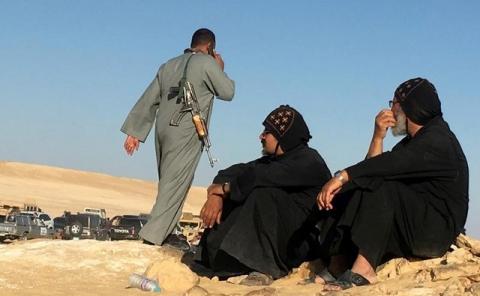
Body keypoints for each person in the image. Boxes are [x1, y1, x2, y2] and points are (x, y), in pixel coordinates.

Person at [316, 78, 469, 291]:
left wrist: (342, 176)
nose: (390, 110)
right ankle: (337, 264)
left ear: (409, 107)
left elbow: (383, 167)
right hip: (411, 225)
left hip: (435, 233)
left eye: (394, 103)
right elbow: (372, 168)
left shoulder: (438, 140)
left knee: (379, 182)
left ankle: (365, 270)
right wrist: (378, 137)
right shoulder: (412, 142)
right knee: (359, 182)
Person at [121, 28, 235, 247]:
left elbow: (150, 99)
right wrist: (220, 69)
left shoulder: (169, 64)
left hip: (163, 129)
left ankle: (168, 231)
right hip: (186, 129)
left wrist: (134, 132)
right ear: (210, 47)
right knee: (175, 183)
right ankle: (152, 237)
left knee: (170, 182)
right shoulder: (207, 64)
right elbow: (227, 92)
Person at [194, 105, 332, 284]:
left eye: (267, 132)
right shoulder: (272, 161)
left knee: (264, 193)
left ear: (283, 136)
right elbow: (235, 171)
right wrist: (216, 196)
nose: (261, 136)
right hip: (279, 240)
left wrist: (226, 188)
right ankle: (214, 258)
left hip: (300, 243)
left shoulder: (310, 161)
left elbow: (259, 176)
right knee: (243, 189)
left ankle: (264, 270)